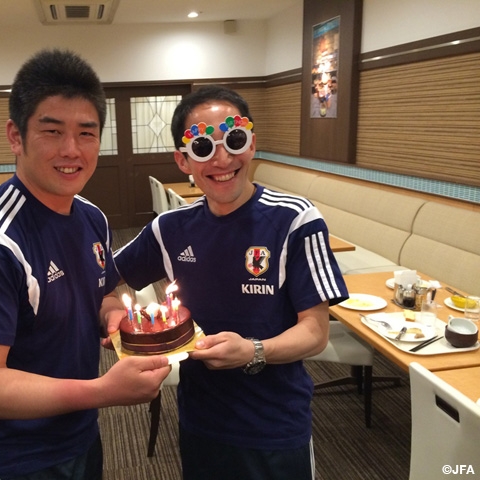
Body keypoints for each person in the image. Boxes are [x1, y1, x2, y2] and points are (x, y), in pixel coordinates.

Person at [0, 49, 170, 480]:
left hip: (78, 435)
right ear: (16, 136)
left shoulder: (91, 217)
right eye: (52, 131)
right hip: (9, 460)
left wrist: (113, 317)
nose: (71, 150)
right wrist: (102, 391)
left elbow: (102, 292)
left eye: (86, 133)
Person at [113, 85, 349, 480]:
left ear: (252, 144)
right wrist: (114, 316)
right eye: (203, 147)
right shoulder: (169, 229)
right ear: (183, 160)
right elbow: (103, 279)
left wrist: (254, 350)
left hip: (275, 424)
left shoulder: (295, 220)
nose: (222, 159)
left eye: (234, 140)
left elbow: (316, 333)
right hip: (200, 420)